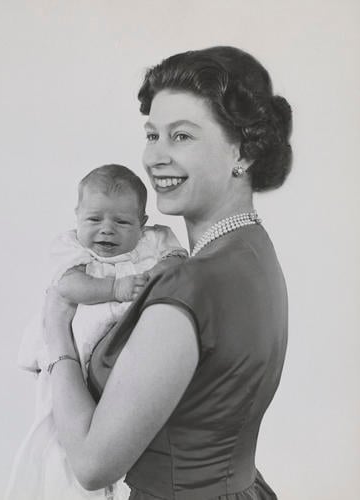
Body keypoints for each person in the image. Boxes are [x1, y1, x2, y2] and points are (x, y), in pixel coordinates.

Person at [43, 46, 292, 500]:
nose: (156, 157)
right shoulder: (253, 252)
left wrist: (55, 331)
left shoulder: (189, 284)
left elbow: (92, 465)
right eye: (152, 135)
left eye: (182, 136)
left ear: (244, 153)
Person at [5, 164, 187, 500]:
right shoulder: (71, 247)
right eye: (94, 220)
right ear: (77, 216)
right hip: (73, 345)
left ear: (142, 223)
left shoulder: (154, 240)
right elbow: (69, 286)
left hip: (120, 358)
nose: (106, 230)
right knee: (58, 429)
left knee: (114, 431)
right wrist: (117, 288)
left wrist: (156, 270)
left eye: (121, 222)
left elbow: (177, 263)